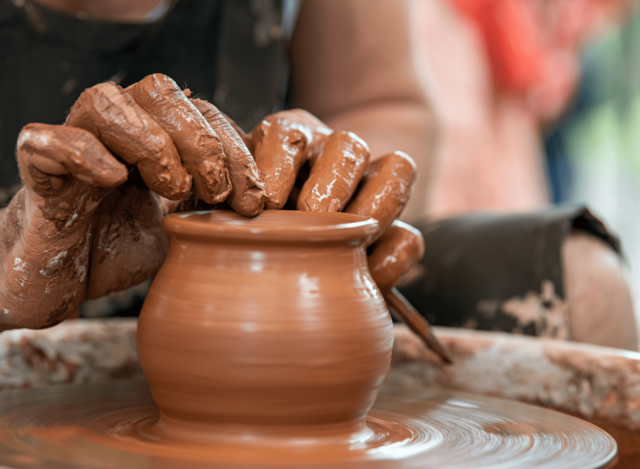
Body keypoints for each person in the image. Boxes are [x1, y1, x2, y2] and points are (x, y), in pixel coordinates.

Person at [0, 0, 637, 351]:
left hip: (239, 283)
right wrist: (13, 259)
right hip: (17, 308)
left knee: (585, 288)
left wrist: (327, 192)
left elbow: (379, 99)